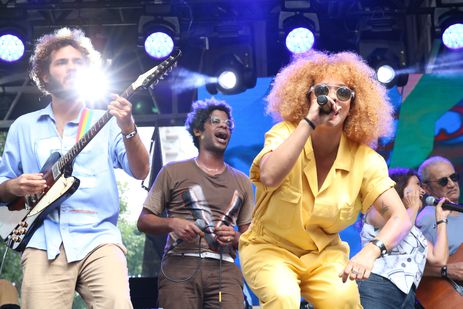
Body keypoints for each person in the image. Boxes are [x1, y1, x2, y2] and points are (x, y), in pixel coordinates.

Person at [238, 50, 412, 308]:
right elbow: (270, 175)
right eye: (321, 91)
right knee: (283, 297)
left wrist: (371, 251)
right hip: (269, 248)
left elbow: (399, 217)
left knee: (345, 299)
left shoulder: (366, 160)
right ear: (307, 97)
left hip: (324, 256)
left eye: (343, 93)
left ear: (355, 103)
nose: (331, 99)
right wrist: (309, 121)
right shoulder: (284, 133)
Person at [0, 28, 149, 308]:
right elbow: (2, 187)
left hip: (99, 238)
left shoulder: (107, 122)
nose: (71, 67)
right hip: (43, 241)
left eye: (77, 62)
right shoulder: (24, 126)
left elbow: (140, 171)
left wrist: (128, 127)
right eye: (61, 62)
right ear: (44, 75)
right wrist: (13, 186)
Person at [137, 98, 254, 309]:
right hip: (179, 264)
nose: (223, 126)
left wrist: (235, 236)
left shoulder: (243, 181)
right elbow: (144, 221)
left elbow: (251, 238)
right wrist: (173, 223)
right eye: (216, 121)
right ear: (198, 130)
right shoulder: (172, 171)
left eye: (228, 124)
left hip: (225, 269)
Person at [358, 168, 449, 309]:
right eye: (417, 184)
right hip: (378, 285)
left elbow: (439, 259)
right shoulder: (378, 209)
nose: (423, 191)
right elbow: (400, 225)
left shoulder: (415, 232)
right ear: (400, 186)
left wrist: (441, 221)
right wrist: (412, 207)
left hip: (407, 296)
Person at [416, 156, 463, 281]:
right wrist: (446, 271)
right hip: (450, 295)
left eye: (453, 177)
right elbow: (415, 265)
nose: (452, 184)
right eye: (443, 181)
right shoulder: (427, 218)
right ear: (426, 188)